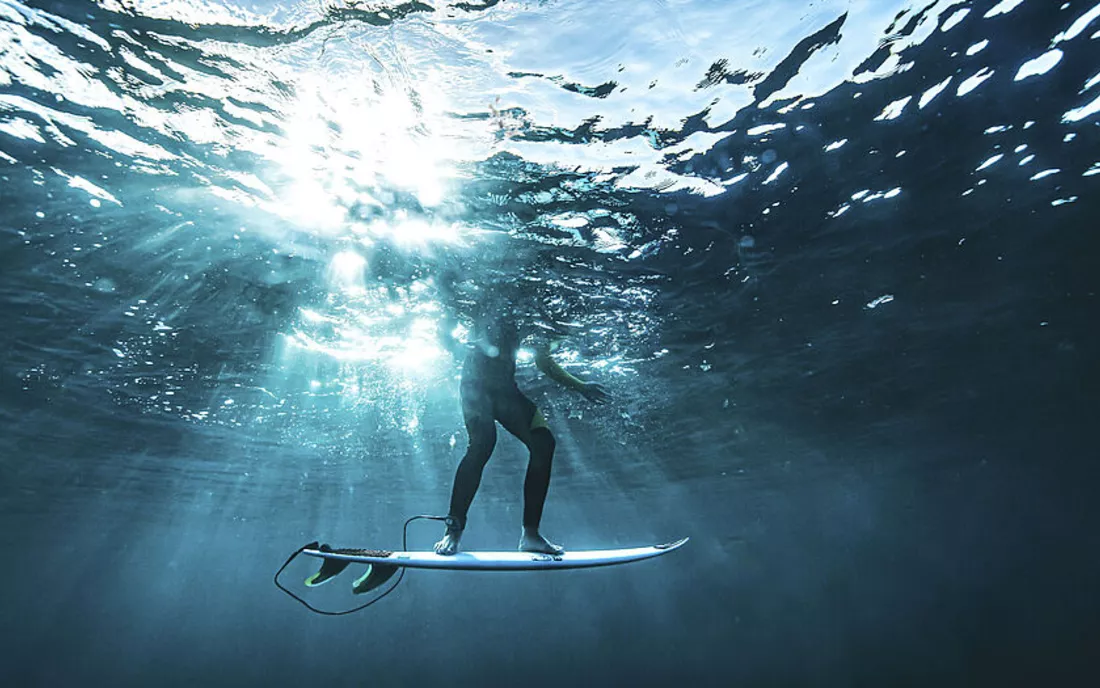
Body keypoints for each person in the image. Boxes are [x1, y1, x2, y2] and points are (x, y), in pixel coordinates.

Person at [434, 285, 610, 556]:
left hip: (506, 389)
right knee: (483, 444)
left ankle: (531, 534)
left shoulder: (541, 310)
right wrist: (453, 345)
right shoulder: (484, 293)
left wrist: (581, 386)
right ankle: (453, 531)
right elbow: (445, 324)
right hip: (475, 387)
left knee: (544, 443)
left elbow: (542, 359)